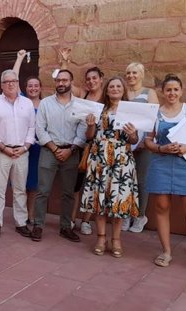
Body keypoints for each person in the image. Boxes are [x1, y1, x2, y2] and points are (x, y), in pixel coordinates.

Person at [146, 74, 186, 275]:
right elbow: (148, 141)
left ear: (181, 91)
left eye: (176, 89)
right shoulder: (155, 113)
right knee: (161, 206)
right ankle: (166, 252)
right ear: (163, 92)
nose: (172, 93)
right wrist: (161, 149)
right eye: (168, 90)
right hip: (161, 163)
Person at [80, 77, 140, 258]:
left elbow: (135, 140)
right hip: (100, 158)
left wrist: (132, 134)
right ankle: (100, 237)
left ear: (123, 90)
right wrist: (90, 125)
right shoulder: (99, 110)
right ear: (106, 91)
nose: (115, 89)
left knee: (118, 200)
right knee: (100, 199)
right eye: (111, 86)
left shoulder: (131, 112)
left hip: (122, 160)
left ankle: (116, 240)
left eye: (118, 86)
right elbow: (89, 137)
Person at [33, 69, 86, 242]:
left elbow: (83, 130)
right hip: (49, 151)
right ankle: (38, 225)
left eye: (65, 80)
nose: (61, 83)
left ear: (71, 81)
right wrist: (55, 149)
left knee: (68, 193)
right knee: (43, 191)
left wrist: (70, 150)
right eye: (58, 80)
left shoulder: (80, 105)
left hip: (71, 152)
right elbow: (40, 129)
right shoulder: (46, 103)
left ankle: (65, 227)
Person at [0, 70, 35, 239]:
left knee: (20, 189)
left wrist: (25, 147)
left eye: (14, 81)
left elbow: (32, 128)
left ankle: (21, 223)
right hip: (1, 151)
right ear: (1, 85)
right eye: (7, 81)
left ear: (18, 83)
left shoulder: (27, 104)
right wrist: (2, 147)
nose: (11, 84)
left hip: (22, 152)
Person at [125, 62, 159, 233]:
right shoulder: (124, 93)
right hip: (125, 144)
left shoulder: (149, 93)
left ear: (141, 74)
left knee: (141, 181)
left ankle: (140, 216)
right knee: (125, 180)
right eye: (128, 73)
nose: (131, 76)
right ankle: (125, 214)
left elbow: (154, 119)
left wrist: (145, 141)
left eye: (134, 73)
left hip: (144, 145)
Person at [72, 66, 106, 236]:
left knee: (93, 185)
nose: (91, 81)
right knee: (76, 185)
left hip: (100, 148)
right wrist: (64, 63)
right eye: (88, 79)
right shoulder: (82, 95)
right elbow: (68, 83)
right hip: (81, 146)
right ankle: (72, 219)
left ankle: (86, 220)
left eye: (94, 78)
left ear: (101, 79)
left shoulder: (107, 99)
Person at [12, 50, 40, 224]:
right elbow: (13, 77)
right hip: (22, 147)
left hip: (38, 148)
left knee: (34, 184)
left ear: (40, 88)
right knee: (21, 183)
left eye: (36, 86)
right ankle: (20, 215)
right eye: (30, 86)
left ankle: (31, 214)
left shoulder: (45, 104)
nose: (33, 88)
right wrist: (19, 58)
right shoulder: (21, 100)